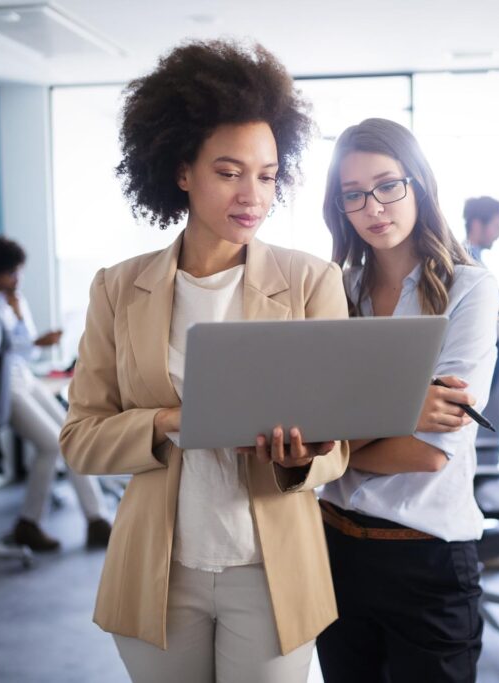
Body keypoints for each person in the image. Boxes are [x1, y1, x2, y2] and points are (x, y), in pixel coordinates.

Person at [58, 40, 350, 682]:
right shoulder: (117, 287)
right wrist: (168, 420)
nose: (253, 194)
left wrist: (302, 457)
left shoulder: (310, 282)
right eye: (229, 171)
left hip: (271, 569)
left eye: (268, 174)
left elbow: (340, 446)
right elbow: (80, 441)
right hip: (158, 573)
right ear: (182, 170)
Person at [316, 118, 499, 683]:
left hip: (428, 559)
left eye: (388, 184)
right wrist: (401, 409)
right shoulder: (334, 292)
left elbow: (428, 452)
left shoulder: (469, 288)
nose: (374, 206)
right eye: (354, 194)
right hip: (334, 552)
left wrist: (335, 441)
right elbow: (307, 424)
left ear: (418, 182)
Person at [0, 236, 111, 552]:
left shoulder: (15, 299)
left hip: (24, 378)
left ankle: (97, 520)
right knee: (51, 445)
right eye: (12, 272)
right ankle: (29, 522)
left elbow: (29, 356)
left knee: (73, 435)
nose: (17, 279)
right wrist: (29, 339)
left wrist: (22, 320)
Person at [462, 196, 499, 462]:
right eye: (497, 225)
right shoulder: (466, 265)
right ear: (477, 224)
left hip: (497, 363)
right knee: (485, 442)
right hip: (486, 367)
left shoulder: (477, 262)